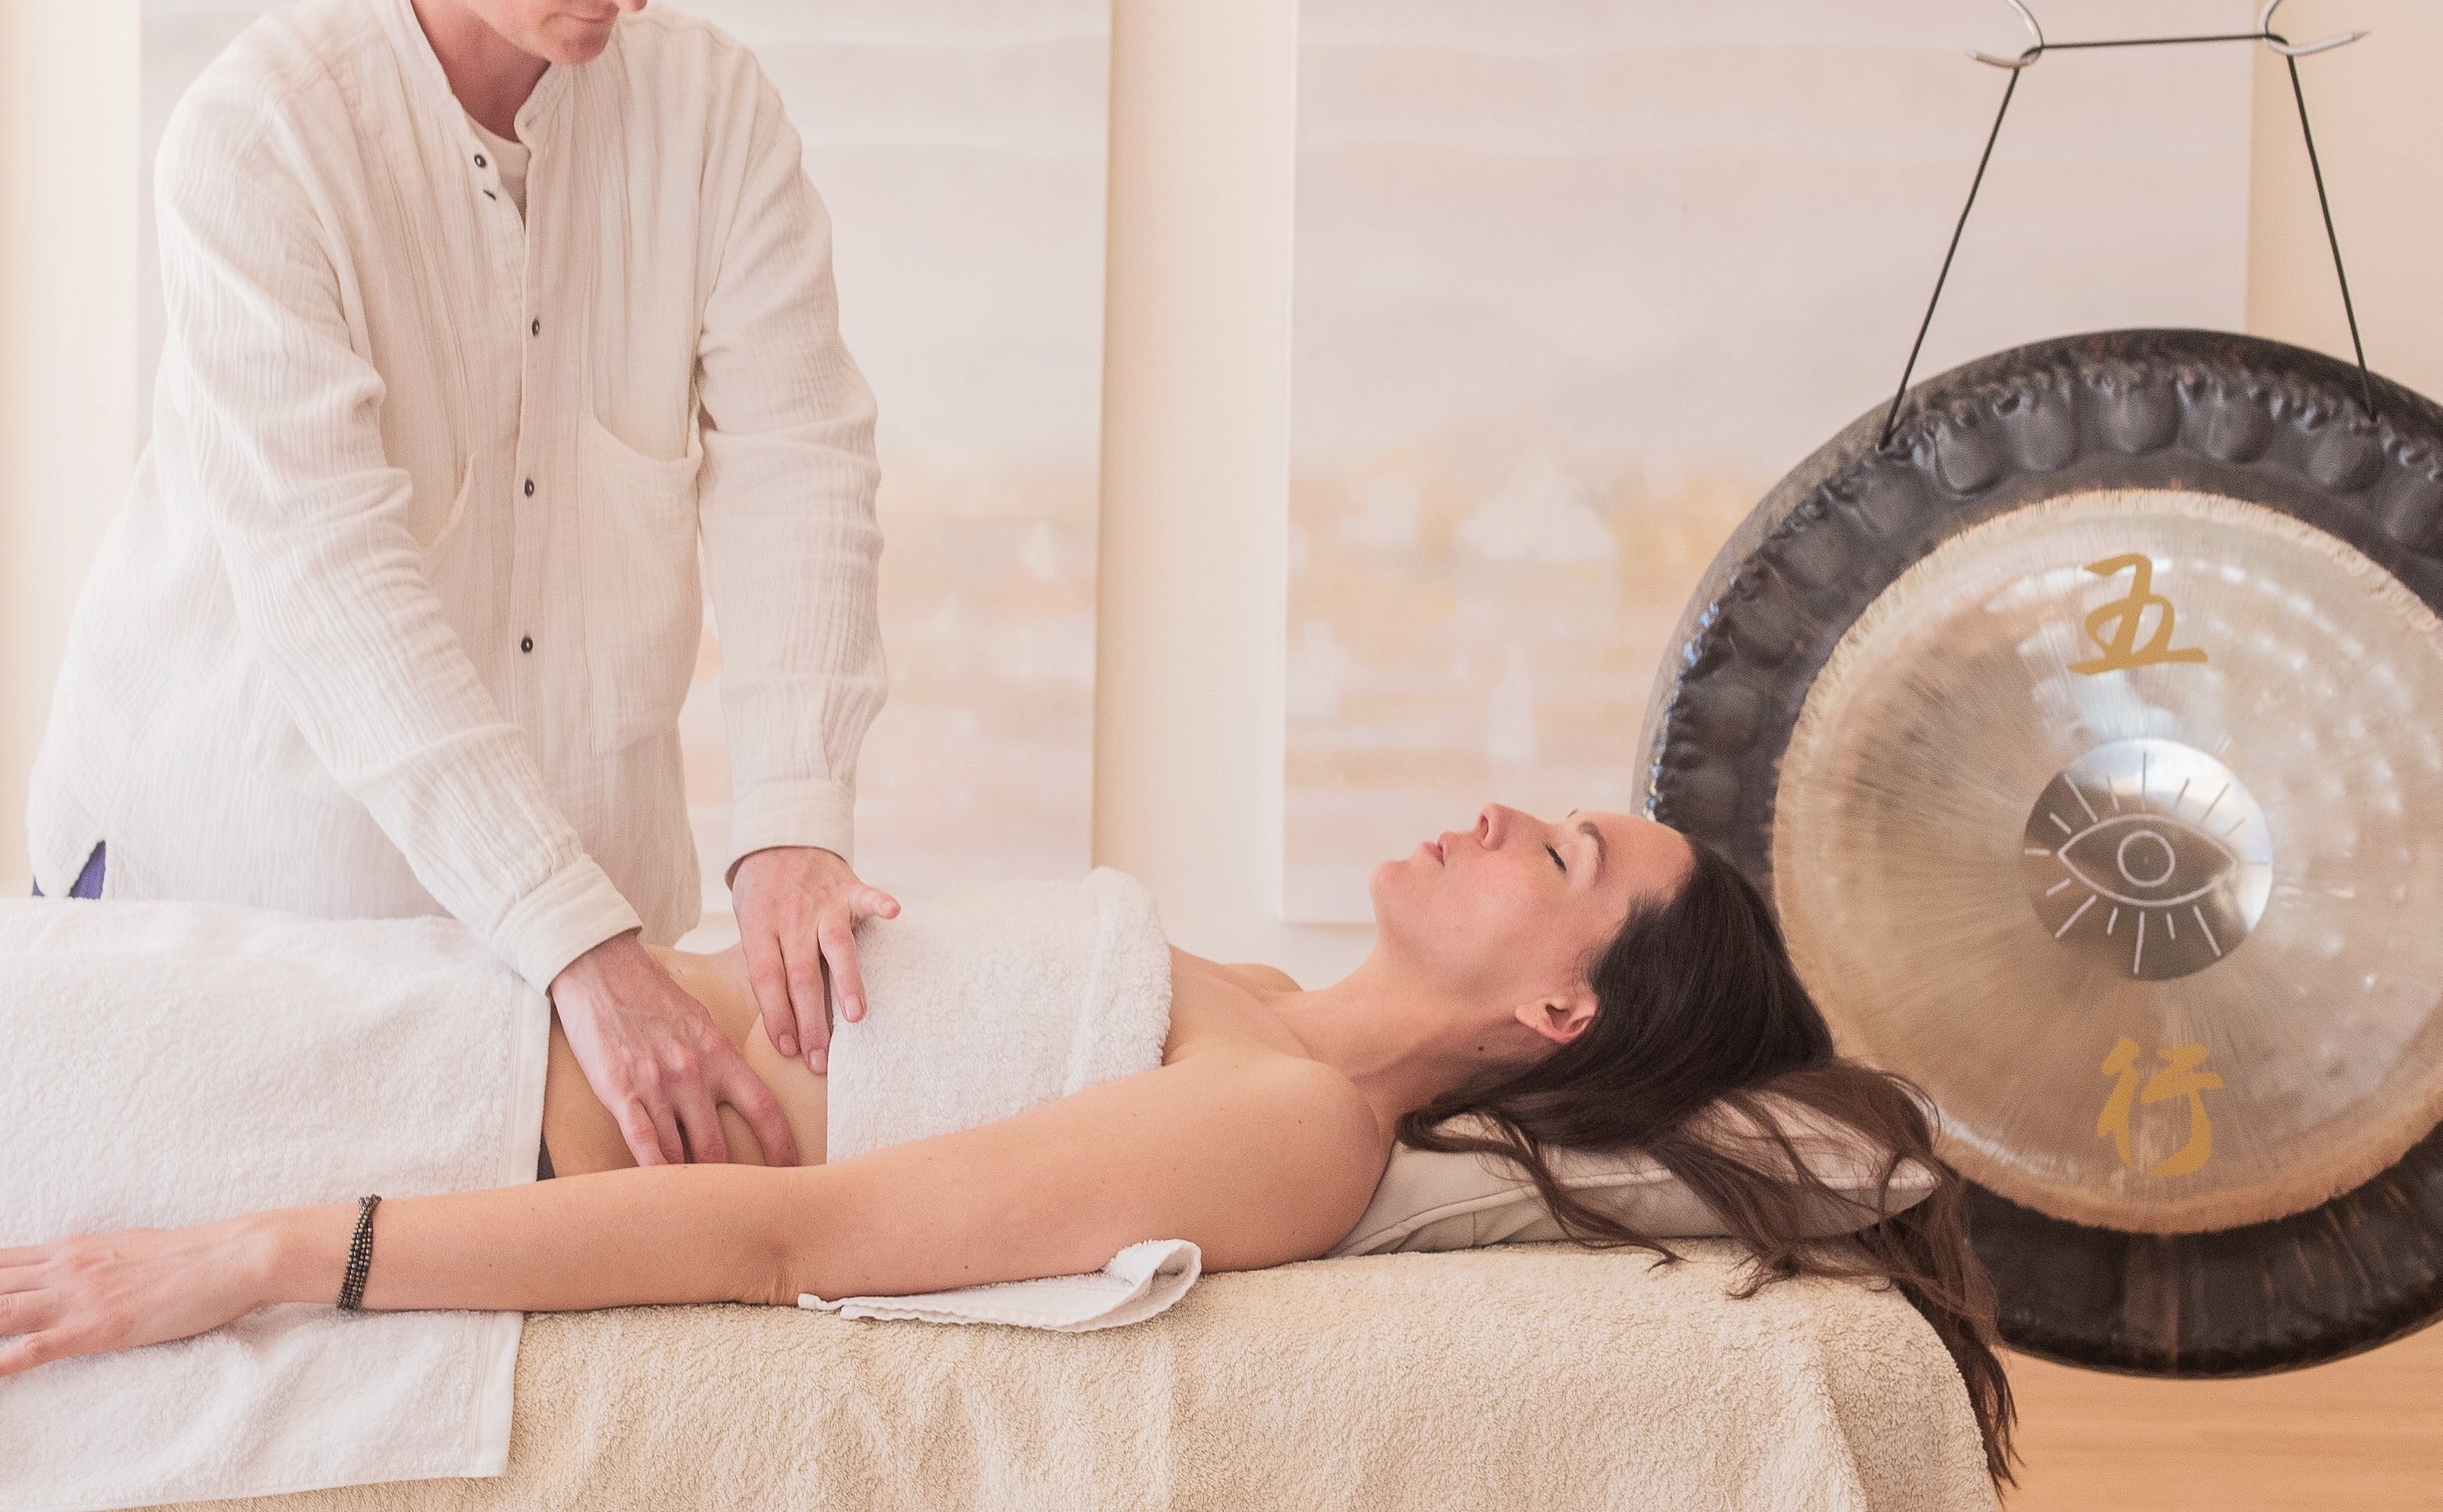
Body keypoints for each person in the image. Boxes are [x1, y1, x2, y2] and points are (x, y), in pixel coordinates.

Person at [0, 805, 2016, 1485]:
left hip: (388, 1105)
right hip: (395, 996)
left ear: (1558, 1012)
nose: (1503, 815)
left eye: (1559, 855)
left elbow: (809, 1231)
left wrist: (259, 1258)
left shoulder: (1294, 1127)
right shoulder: (1239, 999)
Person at [25, 0, 898, 1174]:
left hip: (578, 900)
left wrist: (790, 817)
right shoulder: (259, 140)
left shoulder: (716, 118)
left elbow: (800, 465)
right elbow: (339, 592)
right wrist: (574, 940)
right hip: (234, 873)